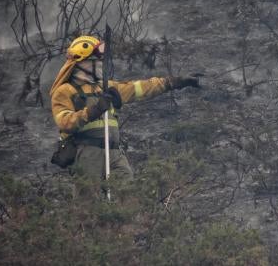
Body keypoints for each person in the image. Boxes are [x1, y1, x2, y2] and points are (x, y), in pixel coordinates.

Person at [49, 35, 200, 180]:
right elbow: (64, 122)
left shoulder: (107, 87)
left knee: (126, 193)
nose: (101, 63)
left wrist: (175, 82)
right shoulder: (65, 91)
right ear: (82, 63)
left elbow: (139, 88)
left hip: (114, 151)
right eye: (96, 60)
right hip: (87, 152)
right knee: (88, 199)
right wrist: (95, 109)